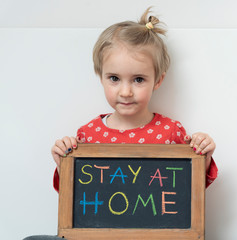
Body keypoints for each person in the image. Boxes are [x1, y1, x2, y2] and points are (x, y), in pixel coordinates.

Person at [24, 6, 217, 240]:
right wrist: (62, 162)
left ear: (157, 80)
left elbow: (187, 192)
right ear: (101, 76)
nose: (125, 92)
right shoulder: (88, 134)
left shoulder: (170, 132)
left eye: (138, 79)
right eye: (114, 79)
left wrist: (203, 155)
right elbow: (77, 199)